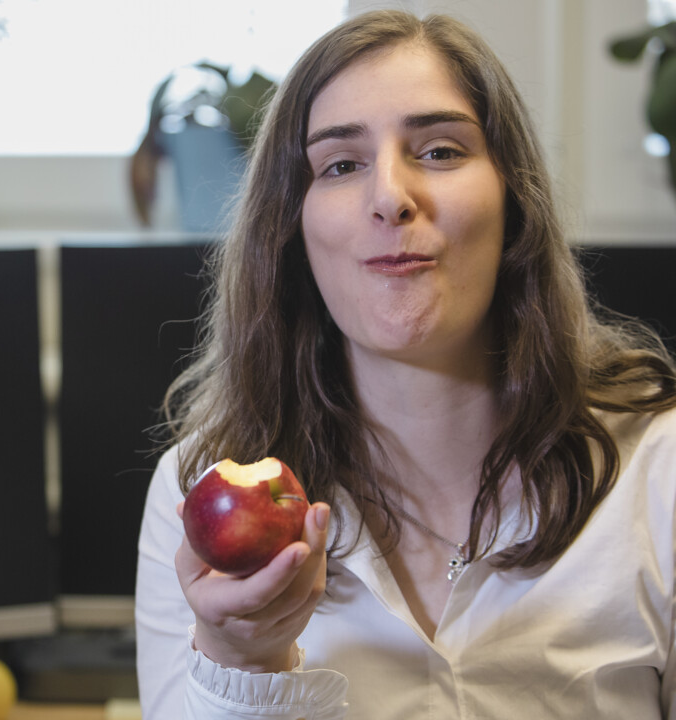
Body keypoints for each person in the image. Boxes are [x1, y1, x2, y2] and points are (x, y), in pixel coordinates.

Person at [136, 9, 676, 719]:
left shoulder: (659, 469)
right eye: (341, 164)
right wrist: (243, 662)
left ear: (514, 200)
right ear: (290, 229)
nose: (390, 197)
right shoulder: (193, 494)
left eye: (441, 151)